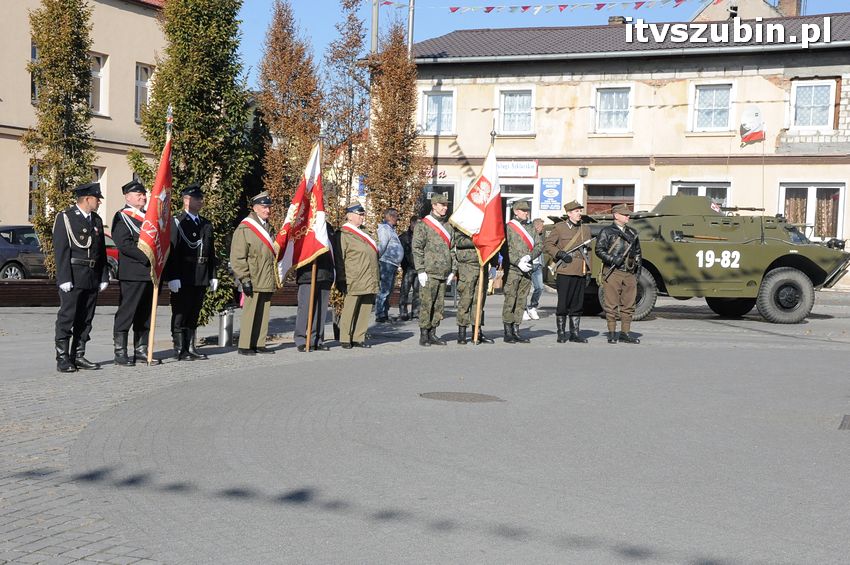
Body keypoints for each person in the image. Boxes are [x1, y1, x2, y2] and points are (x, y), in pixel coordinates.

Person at [52, 182, 109, 373]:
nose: (99, 202)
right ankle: (62, 358)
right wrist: (64, 278)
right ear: (87, 199)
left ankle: (78, 354)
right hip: (74, 274)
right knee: (68, 316)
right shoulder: (66, 218)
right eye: (97, 199)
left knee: (86, 318)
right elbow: (61, 250)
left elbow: (100, 251)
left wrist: (103, 276)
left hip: (91, 275)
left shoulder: (97, 220)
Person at [164, 183, 218, 361]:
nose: (201, 201)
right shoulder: (177, 222)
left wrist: (213, 275)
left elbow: (211, 252)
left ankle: (191, 346)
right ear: (186, 200)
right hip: (183, 275)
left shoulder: (205, 224)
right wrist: (172, 276)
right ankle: (180, 348)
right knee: (180, 313)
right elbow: (171, 252)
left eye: (201, 198)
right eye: (197, 198)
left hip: (200, 275)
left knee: (194, 312)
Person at [111, 179, 160, 366]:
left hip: (149, 274)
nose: (143, 197)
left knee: (145, 313)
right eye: (138, 195)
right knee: (127, 312)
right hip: (132, 272)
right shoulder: (122, 216)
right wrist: (146, 258)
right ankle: (120, 352)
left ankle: (141, 350)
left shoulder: (149, 217)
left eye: (144, 194)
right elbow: (124, 244)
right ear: (127, 197)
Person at [230, 192, 279, 355]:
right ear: (255, 208)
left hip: (266, 276)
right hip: (253, 276)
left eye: (269, 207)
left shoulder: (268, 227)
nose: (268, 211)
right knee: (250, 312)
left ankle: (259, 343)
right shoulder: (246, 227)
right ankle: (245, 345)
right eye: (264, 207)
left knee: (263, 312)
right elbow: (238, 255)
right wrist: (244, 278)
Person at [544, 200, 593, 343]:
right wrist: (559, 254)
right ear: (569, 213)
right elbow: (548, 245)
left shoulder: (585, 229)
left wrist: (589, 271)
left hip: (580, 270)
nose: (579, 214)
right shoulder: (559, 228)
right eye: (576, 211)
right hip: (565, 270)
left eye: (580, 211)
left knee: (577, 304)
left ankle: (574, 333)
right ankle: (561, 332)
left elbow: (588, 252)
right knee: (563, 303)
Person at [595, 203, 642, 344]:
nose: (628, 216)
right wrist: (612, 259)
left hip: (629, 272)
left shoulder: (633, 233)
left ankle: (625, 333)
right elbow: (599, 249)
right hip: (613, 271)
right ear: (616, 215)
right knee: (611, 305)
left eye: (628, 214)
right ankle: (611, 332)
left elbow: (638, 253)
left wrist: (637, 272)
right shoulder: (607, 232)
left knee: (629, 305)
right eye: (625, 214)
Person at [413, 193, 455, 346]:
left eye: (446, 205)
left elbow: (452, 249)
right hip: (429, 272)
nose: (445, 207)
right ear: (434, 205)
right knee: (426, 303)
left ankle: (433, 332)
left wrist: (453, 270)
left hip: (444, 272)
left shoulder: (448, 226)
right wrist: (420, 269)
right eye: (442, 205)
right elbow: (417, 248)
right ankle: (424, 334)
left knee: (439, 305)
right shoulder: (423, 225)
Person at [335, 204, 379, 349]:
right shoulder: (344, 233)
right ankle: (345, 337)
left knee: (366, 306)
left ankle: (358, 337)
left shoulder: (365, 232)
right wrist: (341, 278)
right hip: (354, 276)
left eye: (362, 215)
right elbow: (339, 258)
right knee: (350, 307)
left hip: (369, 275)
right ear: (349, 216)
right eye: (359, 214)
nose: (362, 217)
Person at [501, 200, 542, 343]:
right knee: (510, 299)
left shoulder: (531, 228)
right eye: (523, 210)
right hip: (513, 269)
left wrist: (529, 257)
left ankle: (516, 329)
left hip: (527, 269)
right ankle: (508, 331)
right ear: (516, 211)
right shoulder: (508, 228)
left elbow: (539, 245)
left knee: (521, 299)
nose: (526, 213)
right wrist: (517, 261)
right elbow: (504, 249)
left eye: (527, 210)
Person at [294, 223, 335, 352]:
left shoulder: (327, 226)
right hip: (307, 274)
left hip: (325, 273)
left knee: (321, 311)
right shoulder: (303, 224)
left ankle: (317, 339)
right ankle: (301, 339)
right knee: (304, 309)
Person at [451, 231, 494, 345]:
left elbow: (492, 241)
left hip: (482, 264)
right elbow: (458, 240)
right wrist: (478, 240)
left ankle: (477, 331)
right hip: (467, 265)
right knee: (465, 300)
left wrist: (493, 264)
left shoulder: (484, 221)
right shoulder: (463, 221)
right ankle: (462, 333)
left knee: (479, 301)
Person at [375, 208, 403, 323]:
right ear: (390, 217)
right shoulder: (384, 229)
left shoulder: (391, 230)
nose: (397, 219)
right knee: (384, 289)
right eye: (396, 216)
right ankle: (380, 314)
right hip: (386, 263)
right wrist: (378, 258)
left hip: (392, 263)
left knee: (389, 289)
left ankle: (384, 312)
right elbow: (382, 245)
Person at [397, 216, 420, 321]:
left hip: (419, 267)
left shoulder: (421, 237)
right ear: (412, 224)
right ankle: (403, 312)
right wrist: (404, 265)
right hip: (408, 268)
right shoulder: (404, 237)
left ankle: (415, 312)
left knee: (417, 291)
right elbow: (400, 252)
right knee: (405, 291)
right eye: (417, 224)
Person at [525, 218, 546, 321]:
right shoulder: (528, 236)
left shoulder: (541, 237)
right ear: (537, 227)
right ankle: (523, 310)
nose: (543, 229)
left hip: (537, 265)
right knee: (525, 289)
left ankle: (533, 307)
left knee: (540, 287)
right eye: (542, 226)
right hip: (529, 265)